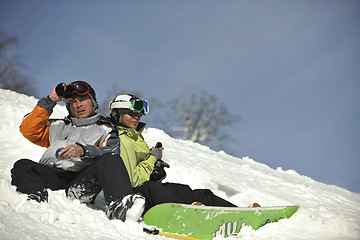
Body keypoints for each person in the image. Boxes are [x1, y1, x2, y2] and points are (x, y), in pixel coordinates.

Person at [11, 81, 144, 221]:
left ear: (93, 102)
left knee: (110, 159)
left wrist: (83, 151)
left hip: (79, 183)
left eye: (82, 100)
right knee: (23, 165)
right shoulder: (58, 126)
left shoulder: (105, 128)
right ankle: (34, 200)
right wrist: (51, 100)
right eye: (72, 102)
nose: (78, 105)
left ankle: (120, 207)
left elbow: (112, 151)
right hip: (51, 175)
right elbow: (29, 130)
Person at [109, 94, 238, 214]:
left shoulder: (135, 137)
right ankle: (191, 215)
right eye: (131, 114)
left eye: (138, 114)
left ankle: (240, 213)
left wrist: (154, 168)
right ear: (118, 113)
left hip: (148, 188)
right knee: (163, 193)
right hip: (133, 196)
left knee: (194, 193)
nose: (136, 117)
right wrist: (152, 158)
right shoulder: (120, 139)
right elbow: (133, 180)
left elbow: (140, 167)